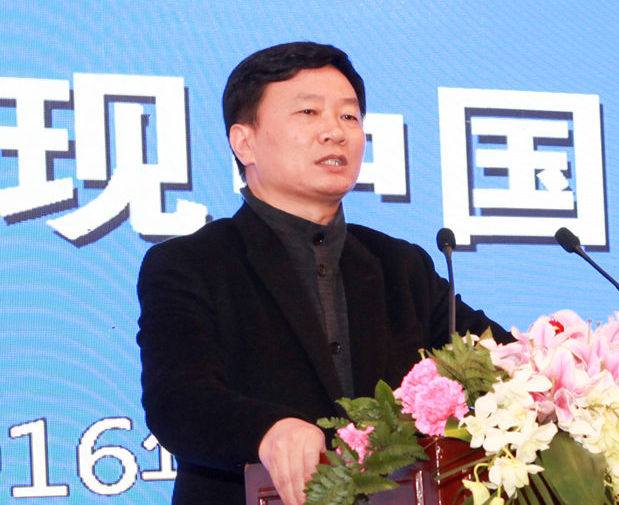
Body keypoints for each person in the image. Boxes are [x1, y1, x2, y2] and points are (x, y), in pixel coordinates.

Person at [137, 41, 511, 505]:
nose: (335, 132)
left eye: (349, 116)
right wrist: (267, 431)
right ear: (244, 142)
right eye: (309, 113)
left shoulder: (400, 265)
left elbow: (499, 359)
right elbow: (178, 400)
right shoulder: (191, 263)